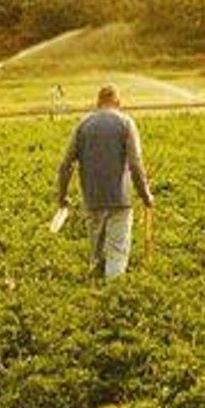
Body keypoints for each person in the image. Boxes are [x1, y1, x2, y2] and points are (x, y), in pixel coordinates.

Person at [57, 83, 154, 279]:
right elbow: (135, 165)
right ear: (118, 102)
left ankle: (94, 298)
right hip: (120, 199)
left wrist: (62, 196)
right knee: (117, 254)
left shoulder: (83, 125)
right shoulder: (126, 123)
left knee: (97, 256)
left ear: (98, 102)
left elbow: (65, 165)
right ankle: (113, 298)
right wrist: (146, 195)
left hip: (92, 199)